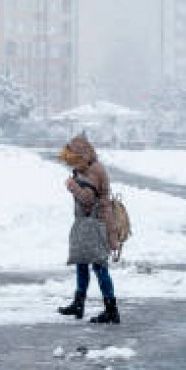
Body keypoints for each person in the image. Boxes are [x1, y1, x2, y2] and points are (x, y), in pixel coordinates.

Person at [57, 134, 120, 324]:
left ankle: (111, 310)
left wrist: (72, 186)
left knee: (100, 267)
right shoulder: (86, 168)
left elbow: (88, 199)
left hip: (97, 224)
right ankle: (79, 303)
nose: (71, 164)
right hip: (87, 224)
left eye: (73, 160)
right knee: (82, 262)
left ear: (81, 156)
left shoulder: (94, 170)